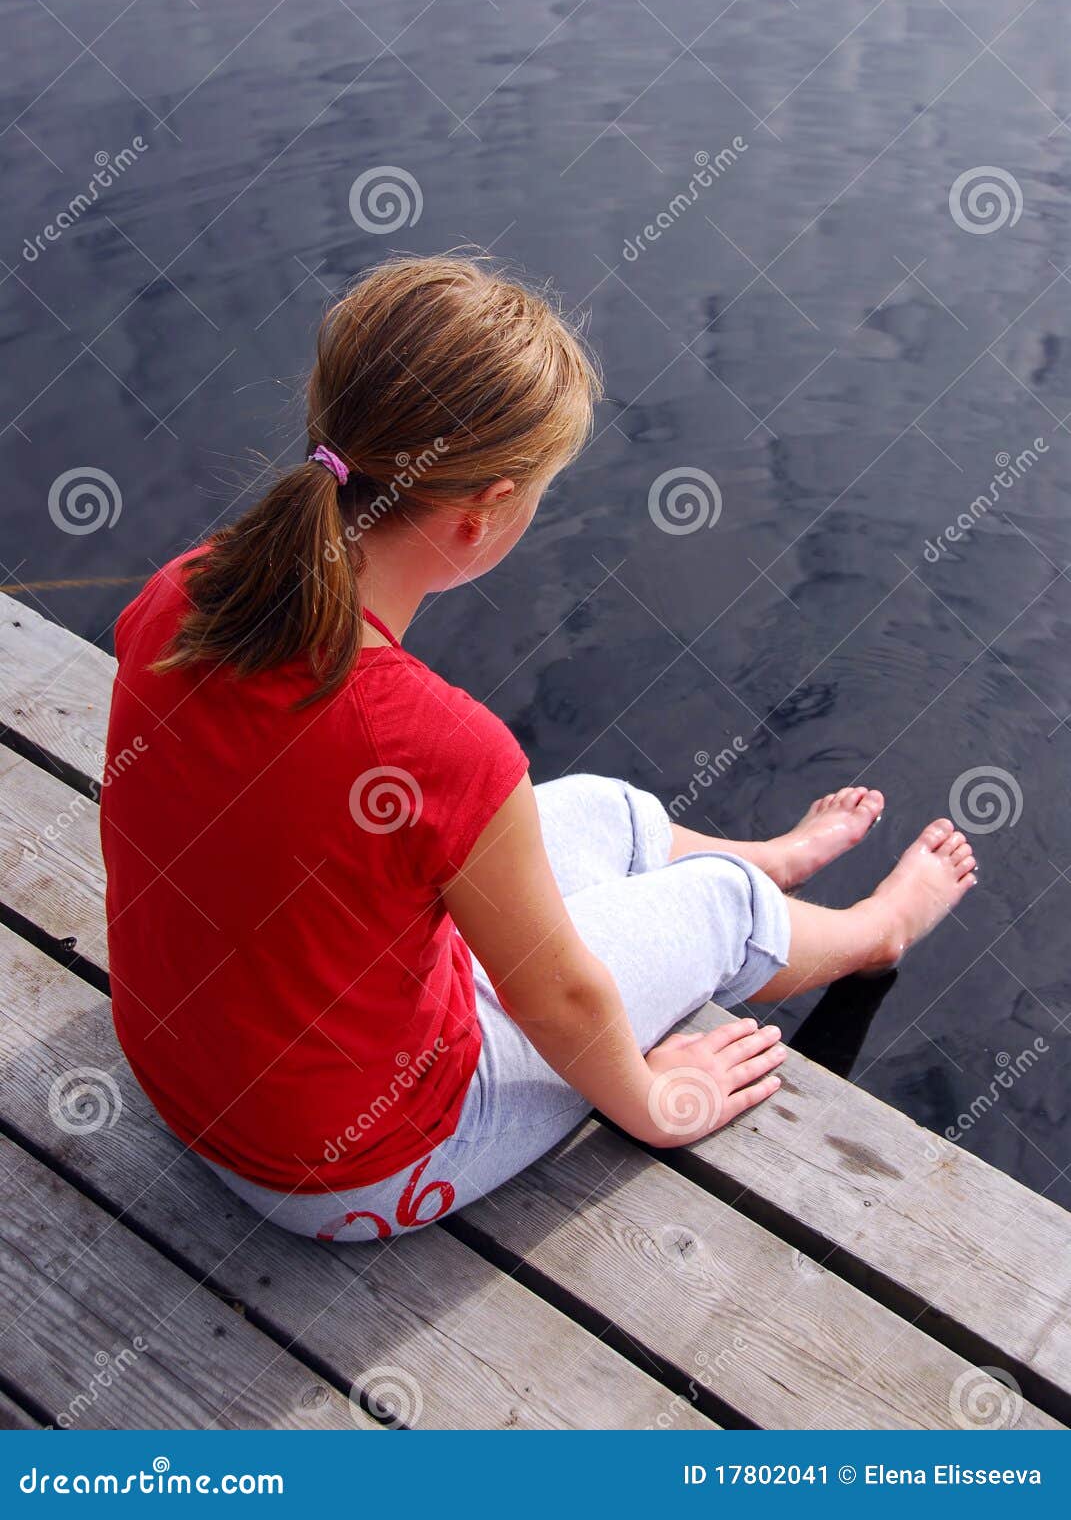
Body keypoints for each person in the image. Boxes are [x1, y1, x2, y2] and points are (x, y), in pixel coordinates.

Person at [100, 254, 977, 1242]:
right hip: (344, 1166)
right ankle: (873, 927)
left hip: (187, 1071)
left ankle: (774, 862)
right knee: (717, 908)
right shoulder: (442, 745)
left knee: (598, 808)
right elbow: (557, 998)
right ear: (479, 520)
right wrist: (650, 1099)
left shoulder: (185, 590)